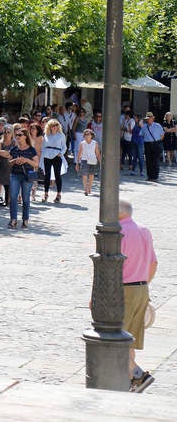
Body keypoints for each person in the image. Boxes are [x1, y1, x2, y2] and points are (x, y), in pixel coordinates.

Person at [114, 199, 158, 392]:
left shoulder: (118, 233)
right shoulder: (144, 230)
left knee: (114, 337)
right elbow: (154, 263)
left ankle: (138, 374)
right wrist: (143, 284)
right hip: (141, 288)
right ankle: (129, 379)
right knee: (129, 337)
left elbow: (111, 268)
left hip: (123, 289)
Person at [4, 128, 38, 229]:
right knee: (13, 198)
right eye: (17, 135)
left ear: (25, 136)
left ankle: (25, 220)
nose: (17, 137)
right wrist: (15, 161)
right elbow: (8, 163)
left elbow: (36, 163)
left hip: (27, 176)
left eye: (20, 135)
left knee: (26, 198)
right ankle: (13, 220)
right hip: (15, 175)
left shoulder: (31, 149)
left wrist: (26, 160)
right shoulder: (14, 149)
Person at [41, 119, 67, 203]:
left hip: (57, 155)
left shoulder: (61, 135)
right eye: (52, 125)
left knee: (57, 175)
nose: (54, 127)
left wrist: (61, 153)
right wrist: (43, 154)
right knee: (47, 175)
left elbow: (64, 147)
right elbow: (43, 146)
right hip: (47, 155)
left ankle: (58, 194)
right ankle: (45, 193)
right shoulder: (46, 135)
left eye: (56, 125)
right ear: (49, 126)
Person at [76, 129, 101, 196]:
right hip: (84, 160)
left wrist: (100, 162)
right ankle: (85, 189)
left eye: (88, 134)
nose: (87, 136)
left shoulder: (95, 143)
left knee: (91, 175)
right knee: (84, 175)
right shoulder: (82, 143)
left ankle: (89, 187)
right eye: (85, 134)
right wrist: (77, 163)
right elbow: (79, 154)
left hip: (93, 160)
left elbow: (98, 153)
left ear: (91, 135)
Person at [141, 111, 165, 182]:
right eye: (147, 119)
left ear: (152, 118)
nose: (148, 120)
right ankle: (149, 176)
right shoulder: (144, 126)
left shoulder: (158, 125)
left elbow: (162, 135)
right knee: (148, 161)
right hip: (147, 144)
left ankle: (155, 176)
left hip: (156, 144)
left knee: (155, 161)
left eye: (149, 118)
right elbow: (141, 134)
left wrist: (157, 142)